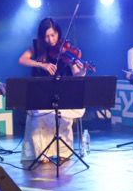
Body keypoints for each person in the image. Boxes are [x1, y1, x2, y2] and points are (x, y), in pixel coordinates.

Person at [17, 17, 87, 165]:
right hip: (41, 91)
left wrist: (82, 71)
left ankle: (63, 151)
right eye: (46, 36)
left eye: (53, 35)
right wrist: (41, 65)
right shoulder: (37, 46)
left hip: (62, 91)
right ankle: (42, 153)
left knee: (63, 119)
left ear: (58, 33)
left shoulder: (66, 49)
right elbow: (22, 59)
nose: (50, 40)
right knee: (40, 118)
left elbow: (76, 74)